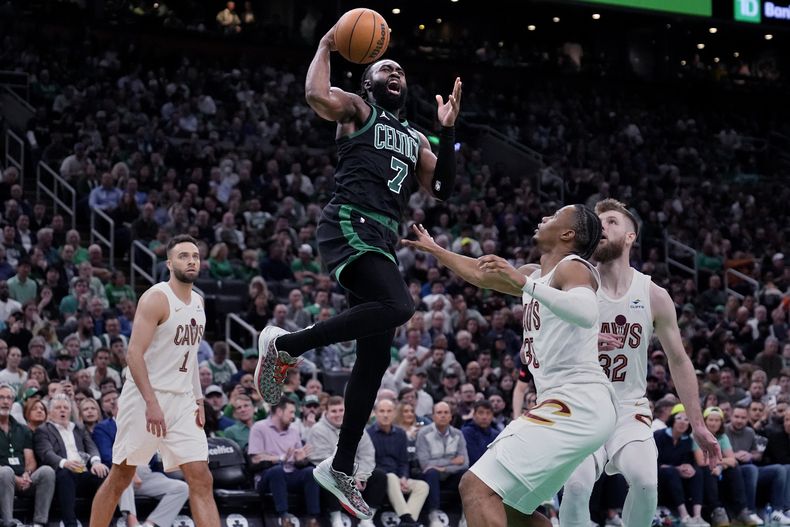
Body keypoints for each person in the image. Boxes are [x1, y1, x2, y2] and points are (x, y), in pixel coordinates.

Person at [254, 20, 462, 520]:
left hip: (382, 240)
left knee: (373, 361)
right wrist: (327, 43)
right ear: (367, 81)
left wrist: (449, 127)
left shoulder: (417, 139)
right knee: (399, 306)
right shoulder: (357, 108)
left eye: (400, 70)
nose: (396, 73)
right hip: (349, 221)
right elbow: (314, 93)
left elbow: (443, 190)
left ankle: (340, 465)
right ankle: (285, 345)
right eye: (385, 66)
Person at [403, 204, 616, 526]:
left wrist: (525, 284)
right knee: (513, 510)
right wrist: (435, 250)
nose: (544, 218)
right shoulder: (535, 273)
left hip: (577, 402)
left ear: (567, 233)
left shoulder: (573, 267)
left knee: (475, 486)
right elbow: (479, 274)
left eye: (554, 216)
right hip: (571, 405)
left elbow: (586, 312)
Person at [559, 199, 721, 527]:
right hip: (581, 408)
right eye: (597, 221)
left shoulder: (653, 294)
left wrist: (698, 423)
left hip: (628, 408)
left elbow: (679, 360)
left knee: (647, 484)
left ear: (630, 236)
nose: (601, 226)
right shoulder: (574, 283)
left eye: (611, 222)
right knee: (576, 488)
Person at [88, 234, 220, 527]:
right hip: (146, 398)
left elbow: (191, 356)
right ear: (170, 263)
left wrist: (198, 399)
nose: (191, 261)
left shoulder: (198, 301)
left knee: (201, 477)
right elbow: (133, 355)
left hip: (182, 401)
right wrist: (151, 403)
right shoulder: (156, 298)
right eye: (184, 256)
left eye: (195, 256)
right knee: (121, 476)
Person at [34, 393, 108, 527]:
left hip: (82, 470)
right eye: (58, 408)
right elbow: (46, 453)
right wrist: (65, 463)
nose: (62, 410)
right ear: (50, 413)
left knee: (102, 474)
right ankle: (70, 523)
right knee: (66, 474)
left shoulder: (78, 428)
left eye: (65, 408)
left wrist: (96, 462)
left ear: (70, 411)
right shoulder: (43, 430)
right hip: (62, 472)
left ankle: (103, 522)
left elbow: (91, 447)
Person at [0, 383, 55, 527]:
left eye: (8, 398)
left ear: (13, 402)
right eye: (1, 398)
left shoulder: (22, 429)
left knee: (47, 471)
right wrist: (14, 478)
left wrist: (26, 473)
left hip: (23, 480)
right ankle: (8, 522)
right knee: (5, 472)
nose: (5, 401)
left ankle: (39, 523)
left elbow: (30, 459)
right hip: (3, 478)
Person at [368, 398, 428, 527]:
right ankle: (407, 519)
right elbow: (369, 462)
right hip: (379, 478)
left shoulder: (400, 434)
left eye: (389, 411)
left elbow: (403, 461)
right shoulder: (368, 434)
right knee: (390, 477)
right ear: (376, 413)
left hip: (398, 478)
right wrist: (395, 478)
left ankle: (406, 523)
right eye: (382, 411)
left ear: (394, 413)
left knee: (422, 486)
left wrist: (404, 477)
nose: (385, 415)